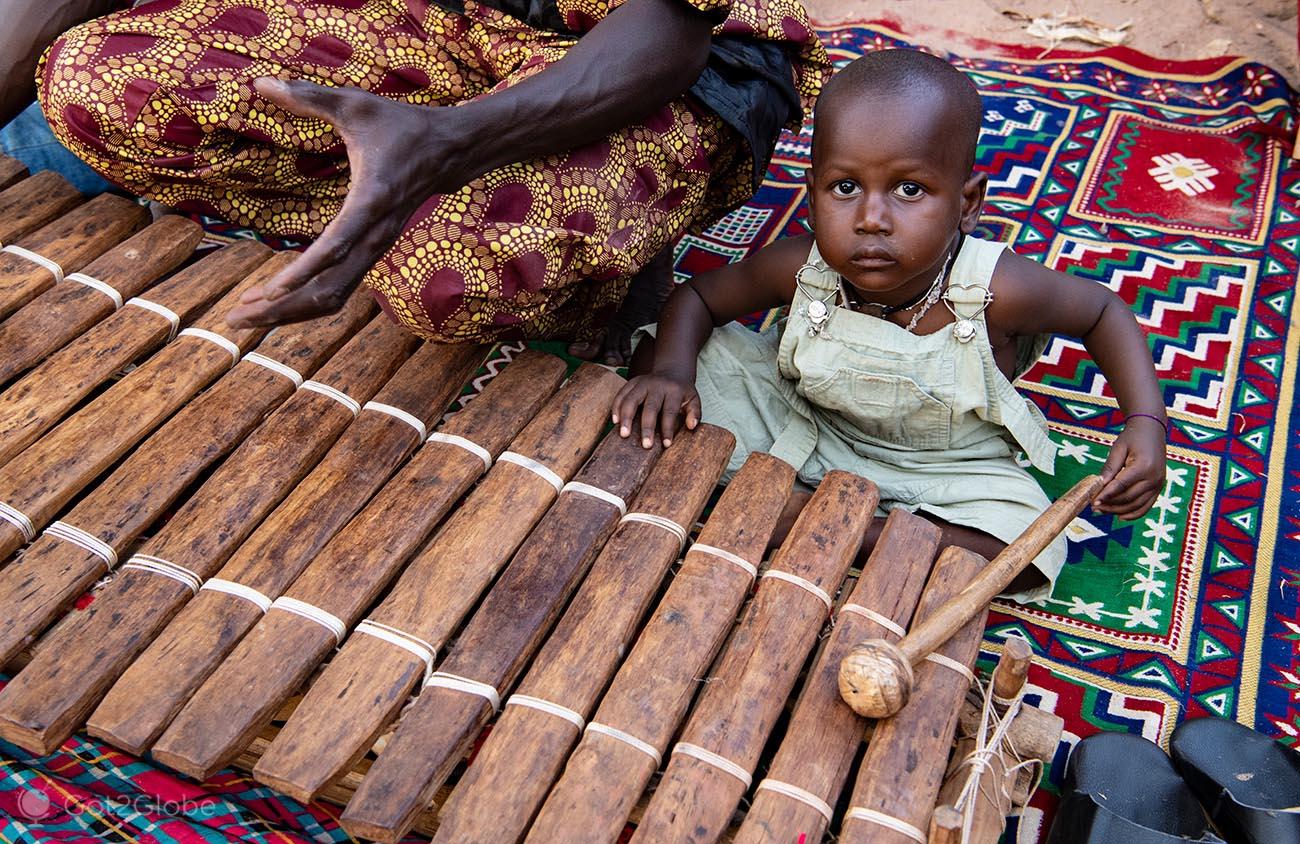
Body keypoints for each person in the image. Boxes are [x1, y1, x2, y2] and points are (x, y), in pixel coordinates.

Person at [611, 48, 1168, 600]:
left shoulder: (998, 287)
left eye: (909, 190)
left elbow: (1103, 312)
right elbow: (699, 299)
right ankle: (832, 517)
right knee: (661, 359)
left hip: (947, 470)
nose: (871, 219)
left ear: (967, 202)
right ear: (811, 195)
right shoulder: (804, 266)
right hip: (804, 423)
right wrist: (675, 374)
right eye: (845, 188)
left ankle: (837, 526)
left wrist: (1146, 421)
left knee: (1027, 547)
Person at [11, 0, 828, 362]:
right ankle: (392, 178)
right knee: (92, 79)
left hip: (651, 60)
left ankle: (603, 243)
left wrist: (443, 144)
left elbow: (668, 33)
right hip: (444, 24)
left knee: (448, 281)